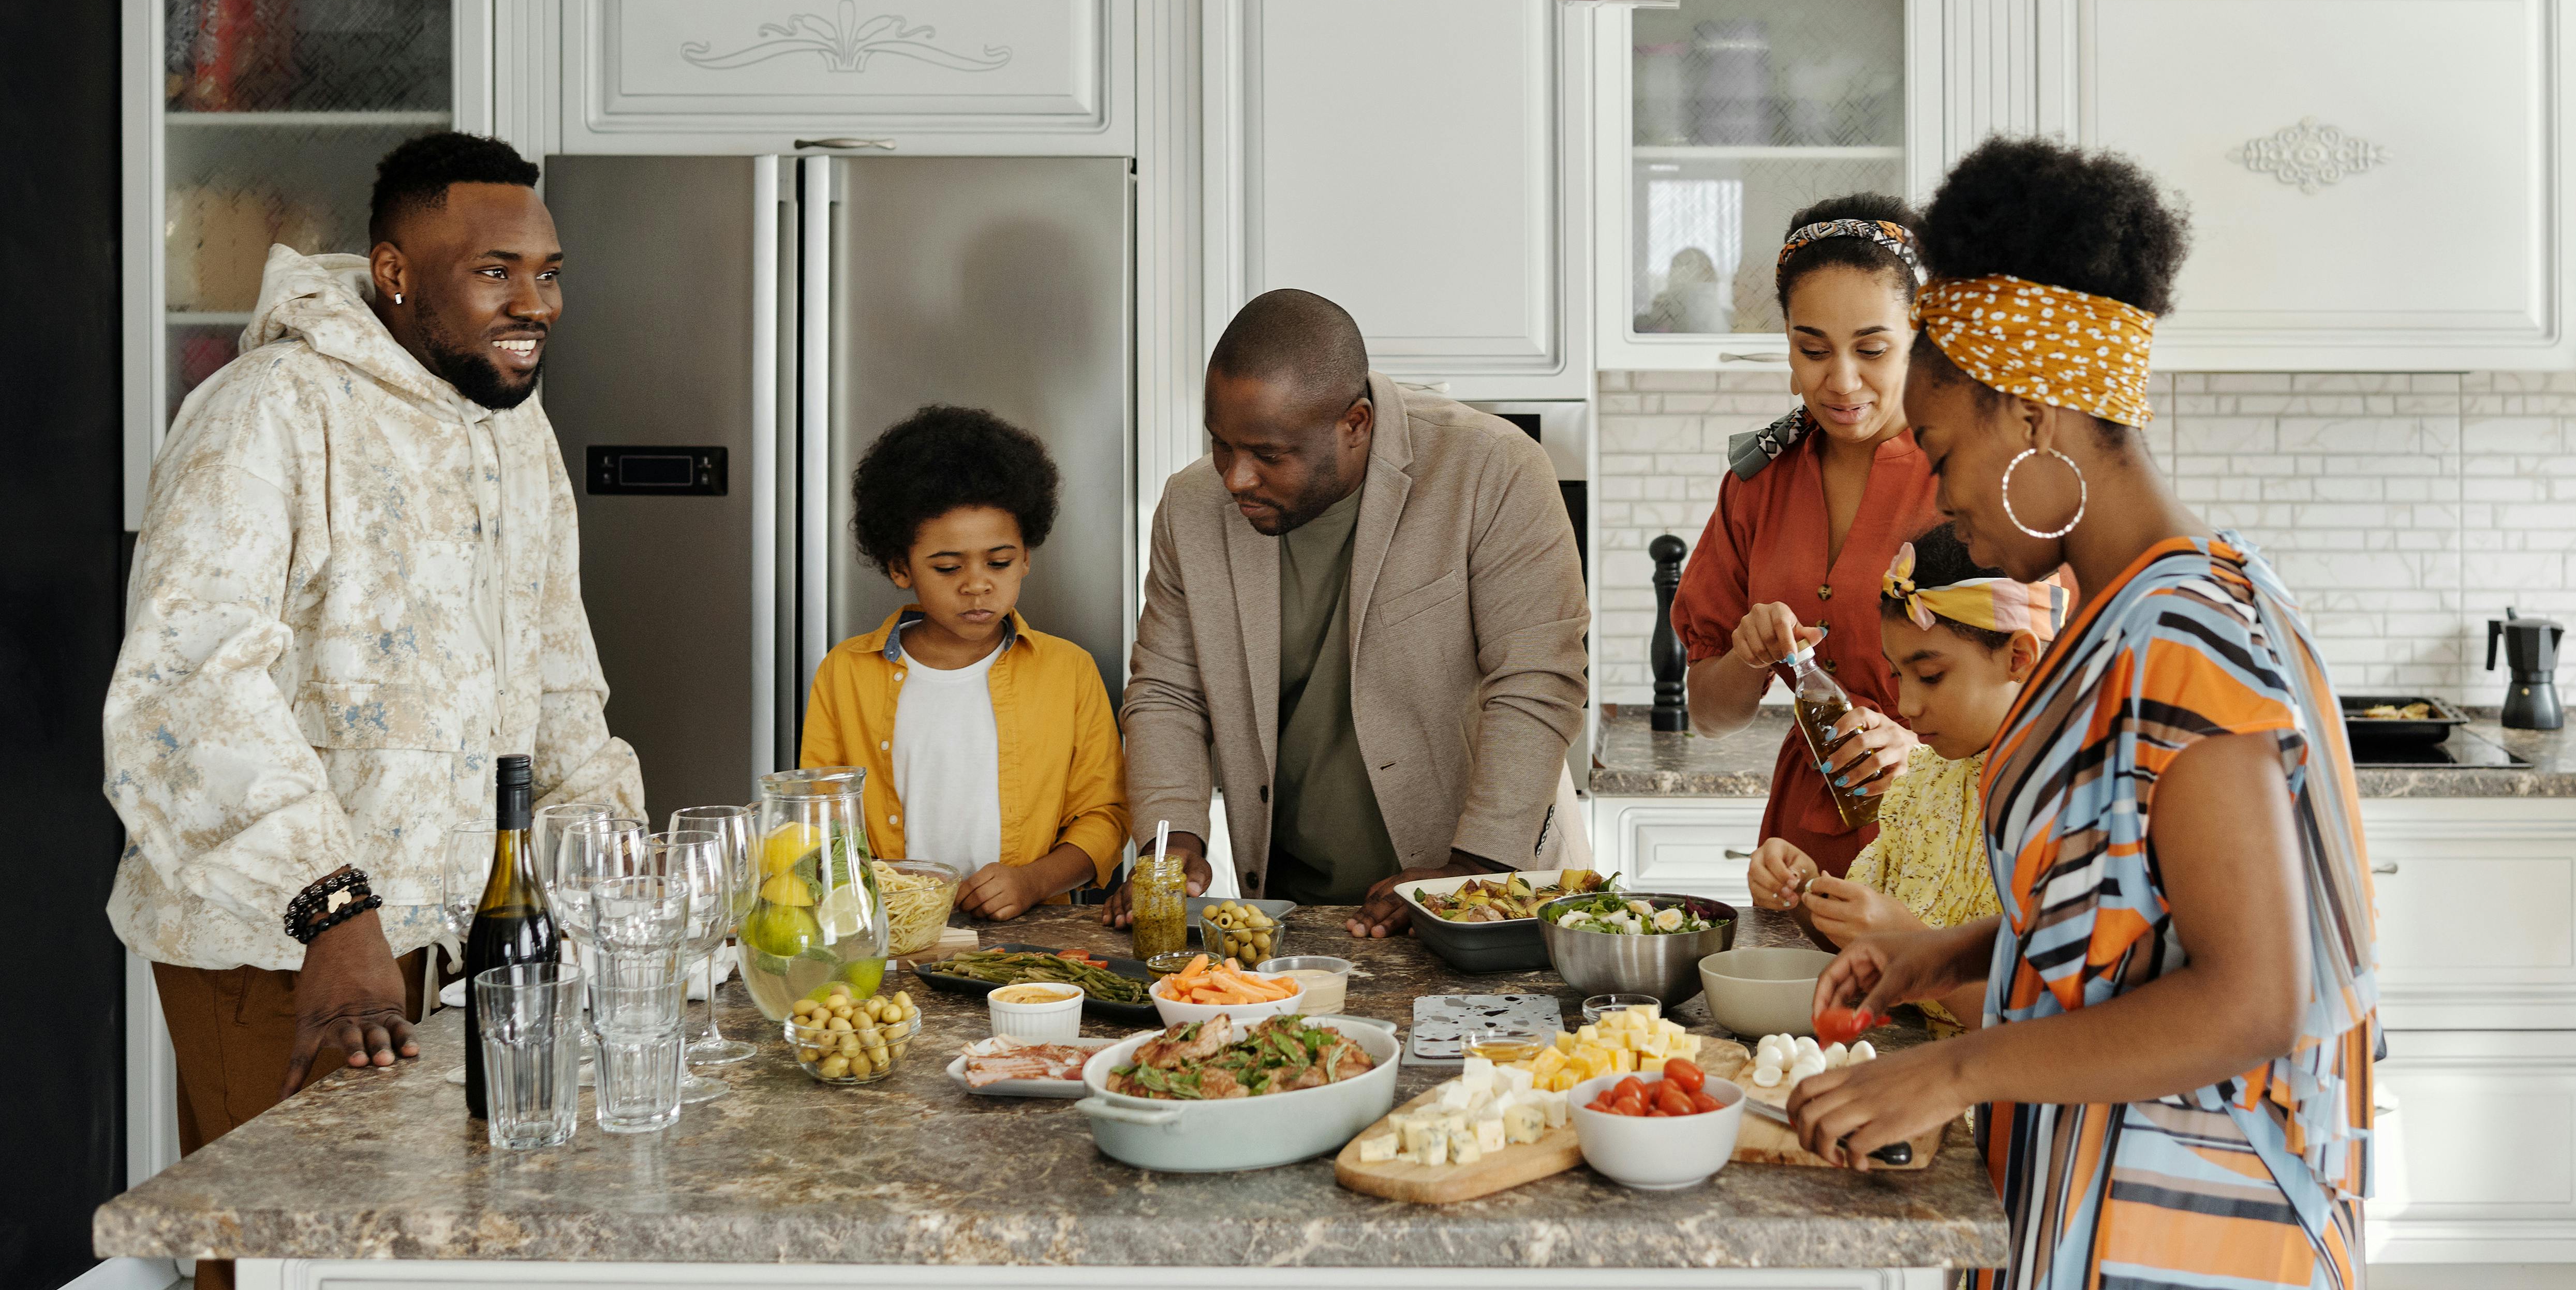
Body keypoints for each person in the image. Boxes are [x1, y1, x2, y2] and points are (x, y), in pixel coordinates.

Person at [1788, 136, 2379, 1290]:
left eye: (1942, 448)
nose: (1936, 492)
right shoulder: (2138, 609)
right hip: (2108, 1212)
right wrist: (1957, 951)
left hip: (2189, 1273)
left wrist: (1952, 1068)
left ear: (2035, 411)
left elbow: (2250, 996)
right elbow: (2128, 916)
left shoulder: (2180, 635)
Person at [101, 131, 645, 1290]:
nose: (536, 306)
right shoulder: (265, 413)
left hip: (466, 931)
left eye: (550, 273)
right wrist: (331, 907)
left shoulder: (511, 424)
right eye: (495, 272)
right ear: (397, 273)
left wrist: (609, 841)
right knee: (291, 1272)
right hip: (287, 942)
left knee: (427, 1287)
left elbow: (553, 661)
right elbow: (185, 688)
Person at [1112, 289, 1588, 937]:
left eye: (1267, 454)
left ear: (1356, 423)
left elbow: (1536, 678)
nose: (1235, 479)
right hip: (1294, 910)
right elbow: (1166, 690)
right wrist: (1170, 840)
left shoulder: (1492, 469)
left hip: (1490, 892)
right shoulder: (1188, 507)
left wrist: (1467, 874)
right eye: (1221, 444)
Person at [1670, 195, 1942, 885]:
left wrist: (1916, 748)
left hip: (1945, 840)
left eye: (1872, 349)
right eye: (1813, 349)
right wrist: (1746, 654)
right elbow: (1710, 714)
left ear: (1921, 336)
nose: (1842, 380)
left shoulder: (1967, 480)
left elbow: (2047, 699)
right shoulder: (1760, 482)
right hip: (1801, 853)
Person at [798, 405, 1129, 920]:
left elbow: (1105, 816)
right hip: (888, 934)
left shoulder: (1069, 671)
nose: (977, 583)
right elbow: (816, 820)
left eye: (998, 562)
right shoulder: (845, 672)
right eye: (948, 566)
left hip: (1031, 934)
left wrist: (1033, 879)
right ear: (899, 566)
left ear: (1026, 557)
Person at [1760, 523, 2061, 1033]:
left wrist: (1911, 945)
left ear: (2018, 657)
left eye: (1930, 676)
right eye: (1897, 675)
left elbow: (2044, 1029)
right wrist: (1803, 888)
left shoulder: (2063, 802)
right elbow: (1861, 937)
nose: (1905, 706)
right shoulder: (1921, 781)